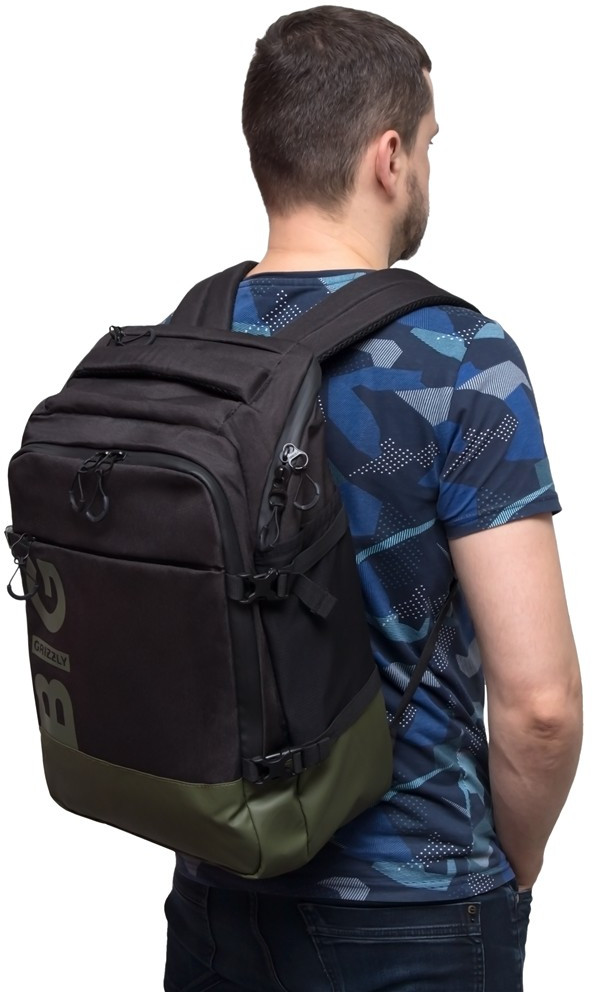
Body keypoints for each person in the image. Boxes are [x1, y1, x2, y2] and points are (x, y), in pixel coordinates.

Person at [163, 6, 582, 991]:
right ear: (387, 158)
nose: (427, 167)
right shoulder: (459, 359)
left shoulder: (187, 342)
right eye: (428, 143)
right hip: (413, 912)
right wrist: (509, 871)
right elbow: (540, 708)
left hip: (216, 888)